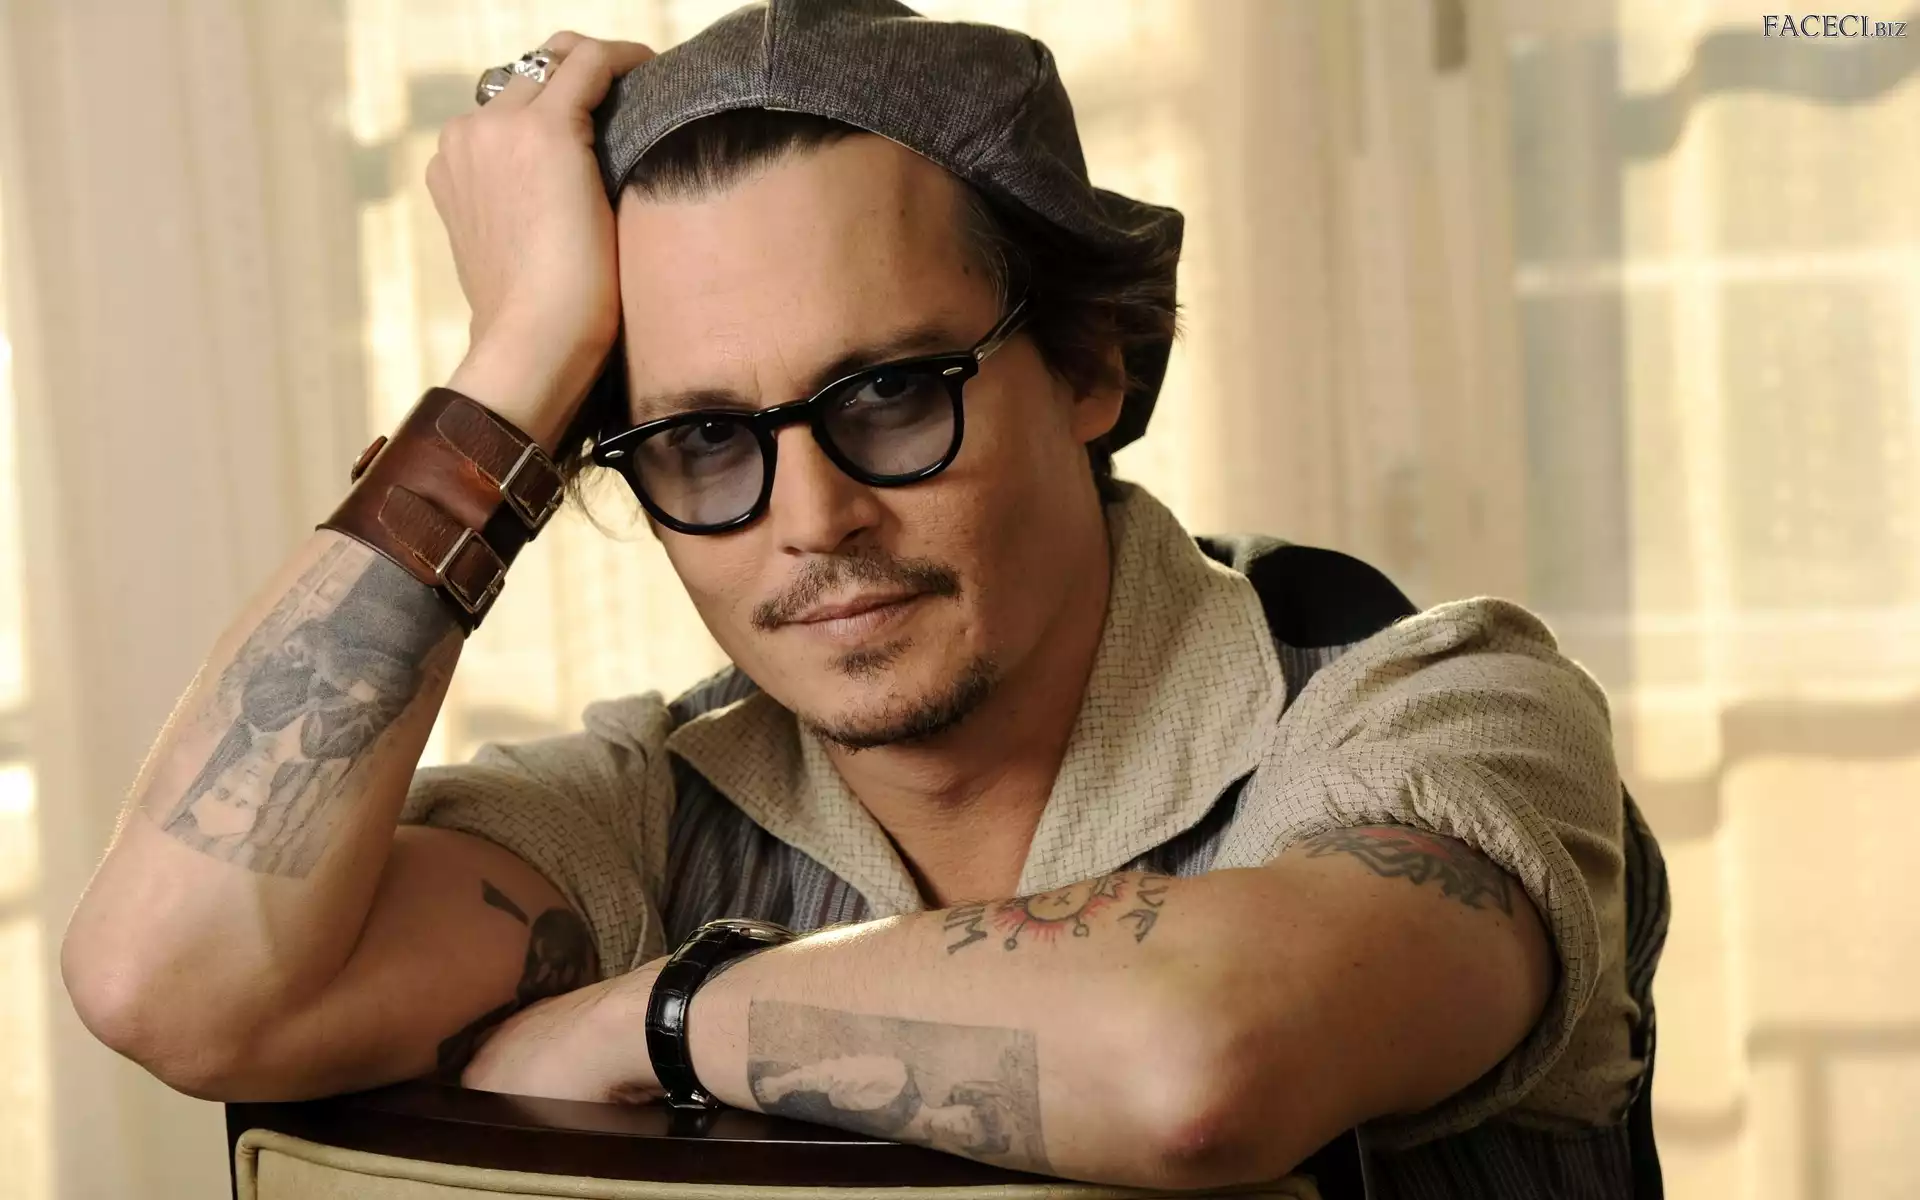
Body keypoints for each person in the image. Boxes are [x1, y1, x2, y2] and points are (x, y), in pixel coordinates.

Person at [60, 2, 1664, 1195]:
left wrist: (664, 1017)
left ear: (1090, 365)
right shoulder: (645, 818)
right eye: (701, 439)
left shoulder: (1437, 709)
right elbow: (164, 984)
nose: (813, 520)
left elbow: (1198, 1062)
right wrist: (514, 365)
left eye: (892, 393)